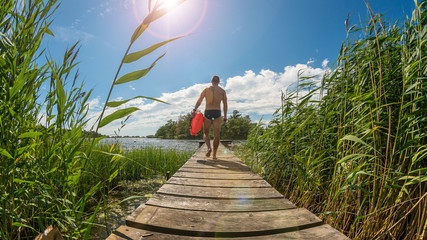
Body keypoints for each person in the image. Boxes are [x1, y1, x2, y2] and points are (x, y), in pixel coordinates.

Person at [192, 75, 228, 159]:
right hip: (217, 113)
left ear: (211, 81)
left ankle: (209, 148)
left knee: (206, 133)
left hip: (208, 112)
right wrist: (225, 116)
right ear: (219, 82)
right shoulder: (222, 91)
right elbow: (225, 104)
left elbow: (199, 101)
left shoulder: (206, 90)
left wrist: (194, 110)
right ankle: (214, 155)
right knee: (216, 135)